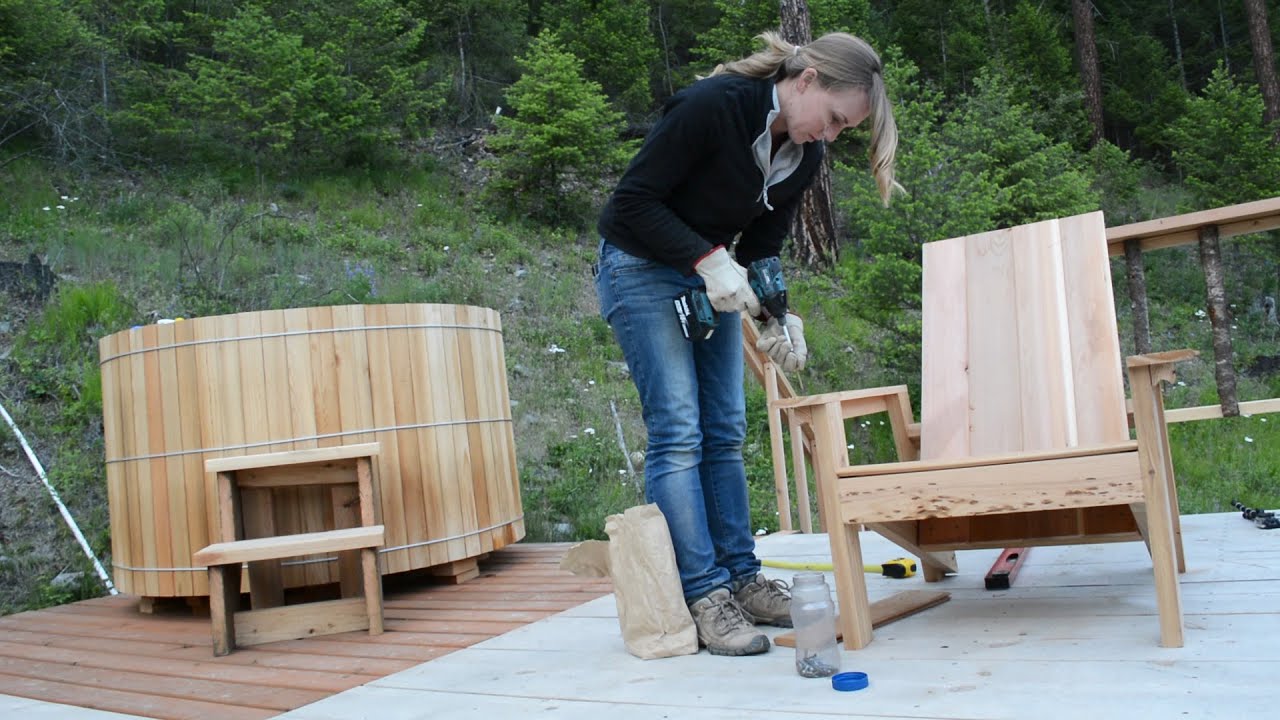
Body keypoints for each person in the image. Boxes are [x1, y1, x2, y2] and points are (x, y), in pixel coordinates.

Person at [594, 31, 899, 657]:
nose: (830, 135)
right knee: (679, 430)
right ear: (807, 79)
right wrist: (707, 258)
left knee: (726, 430)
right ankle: (703, 593)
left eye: (844, 129)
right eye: (833, 118)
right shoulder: (713, 106)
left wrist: (779, 316)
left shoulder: (804, 155)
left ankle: (741, 577)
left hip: (709, 275)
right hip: (640, 267)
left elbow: (761, 245)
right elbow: (630, 206)